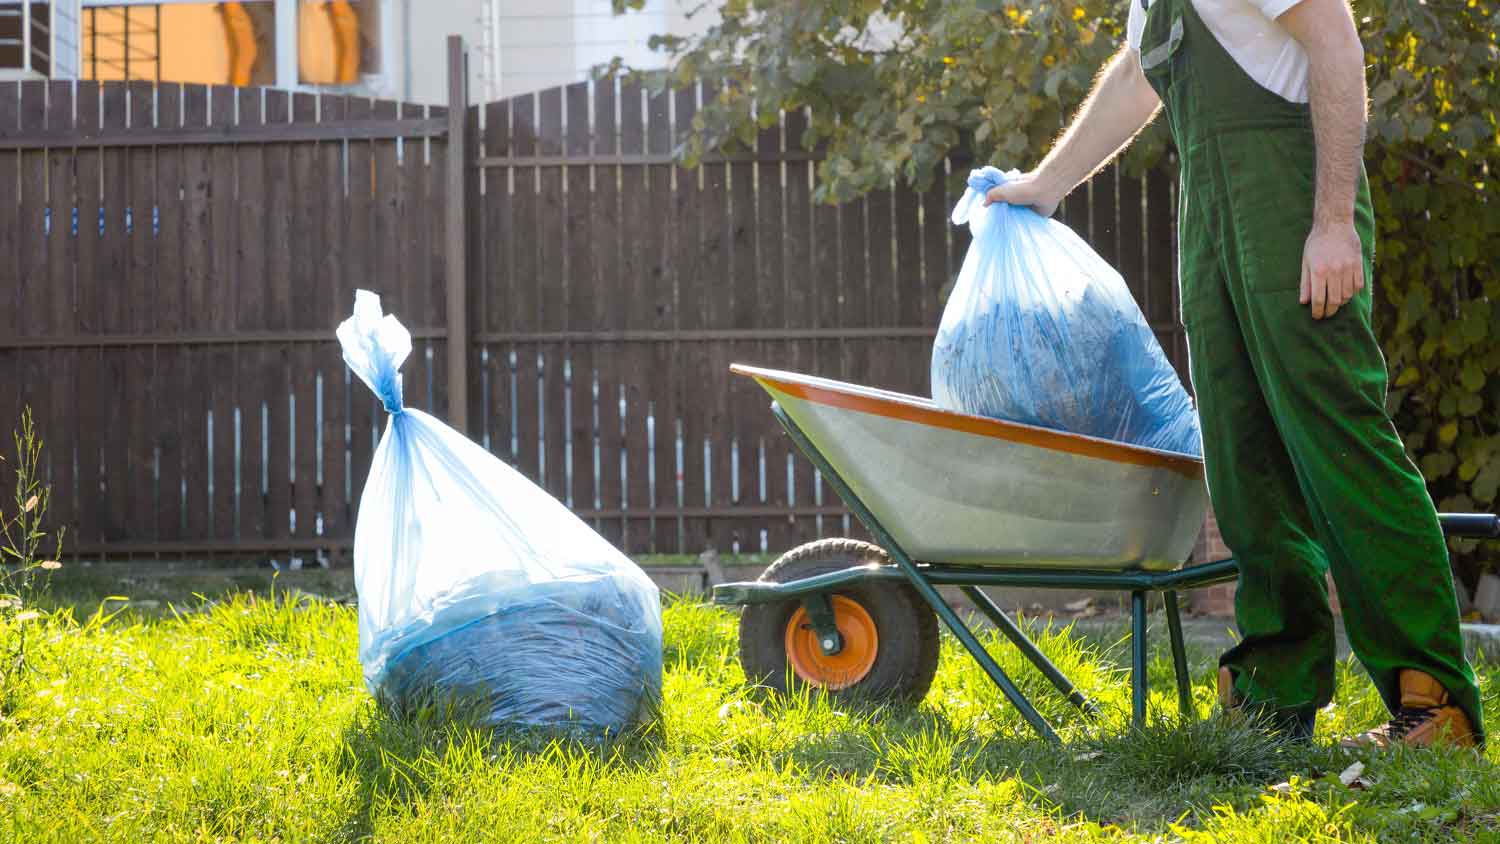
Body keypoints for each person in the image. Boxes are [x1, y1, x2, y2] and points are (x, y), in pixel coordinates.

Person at [984, 0, 1482, 747]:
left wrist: (1333, 222)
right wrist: (1049, 184)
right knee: (1241, 459)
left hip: (1289, 203)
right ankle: (1275, 692)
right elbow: (1135, 77)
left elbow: (1337, 49)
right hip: (1212, 218)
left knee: (1340, 443)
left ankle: (1433, 698)